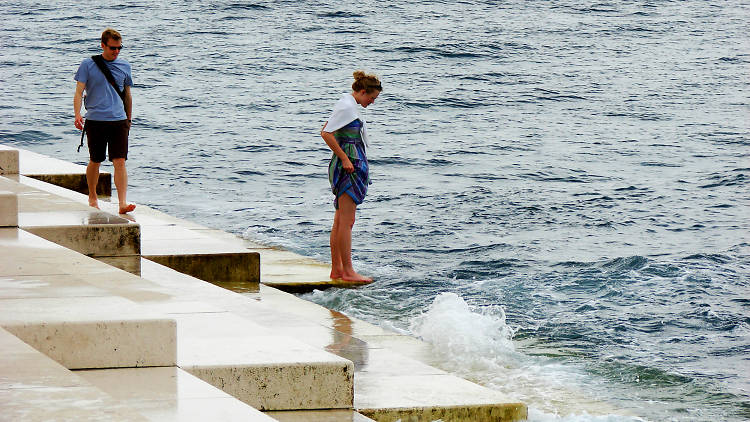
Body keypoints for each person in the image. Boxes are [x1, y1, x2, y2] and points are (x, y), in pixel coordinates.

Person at [321, 71, 382, 283]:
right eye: (371, 98)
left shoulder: (348, 105)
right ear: (363, 92)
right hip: (348, 167)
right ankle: (347, 271)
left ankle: (337, 270)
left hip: (350, 164)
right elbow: (326, 133)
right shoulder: (347, 106)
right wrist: (345, 159)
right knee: (346, 221)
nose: (372, 102)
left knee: (340, 220)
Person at [73, 28, 135, 214]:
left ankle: (122, 203)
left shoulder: (125, 66)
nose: (116, 52)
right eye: (112, 48)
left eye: (119, 48)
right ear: (103, 45)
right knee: (95, 160)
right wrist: (77, 114)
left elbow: (128, 95)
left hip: (119, 121)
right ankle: (92, 197)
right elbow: (78, 92)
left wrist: (129, 119)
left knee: (120, 161)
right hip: (96, 120)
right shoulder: (88, 65)